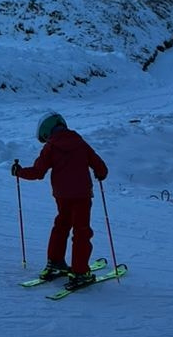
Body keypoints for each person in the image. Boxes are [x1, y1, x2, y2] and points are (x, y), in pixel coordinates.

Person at [12, 112, 108, 289]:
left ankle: (55, 263)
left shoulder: (51, 147)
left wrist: (19, 172)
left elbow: (38, 172)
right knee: (81, 231)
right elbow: (100, 166)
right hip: (82, 195)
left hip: (62, 195)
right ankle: (80, 272)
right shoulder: (80, 143)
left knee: (61, 225)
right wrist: (100, 173)